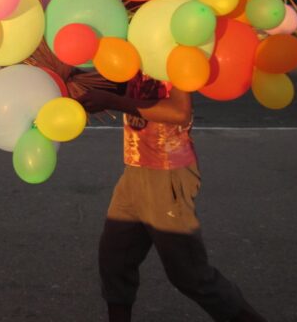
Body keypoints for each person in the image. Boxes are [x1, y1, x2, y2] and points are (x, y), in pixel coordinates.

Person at [79, 73, 267, 322]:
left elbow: (180, 112)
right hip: (135, 168)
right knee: (114, 263)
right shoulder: (134, 51)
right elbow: (120, 84)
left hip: (167, 171)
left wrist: (111, 101)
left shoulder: (173, 53)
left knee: (190, 275)